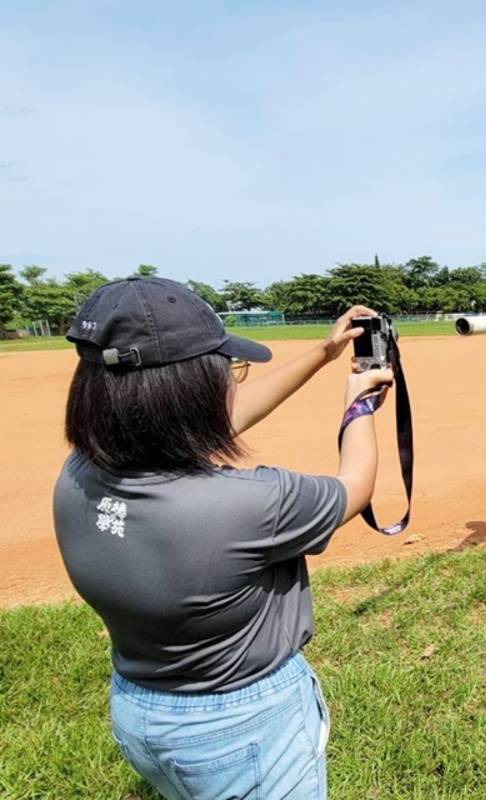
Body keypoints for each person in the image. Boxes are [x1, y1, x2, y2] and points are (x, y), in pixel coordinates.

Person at [53, 277, 392, 798]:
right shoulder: (246, 504)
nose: (231, 383)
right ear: (187, 392)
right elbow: (356, 486)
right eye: (226, 370)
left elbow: (213, 422)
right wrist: (359, 406)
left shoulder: (77, 476)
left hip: (139, 709)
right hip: (244, 724)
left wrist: (326, 352)